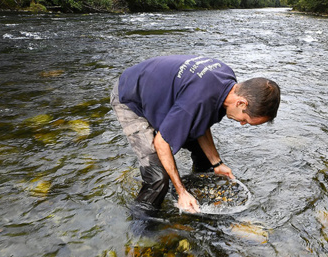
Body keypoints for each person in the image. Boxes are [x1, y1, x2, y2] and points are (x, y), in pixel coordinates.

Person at [110, 55, 280, 214]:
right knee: (158, 179)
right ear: (241, 102)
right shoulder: (197, 99)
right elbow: (162, 142)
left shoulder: (226, 80)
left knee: (205, 159)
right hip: (130, 97)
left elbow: (201, 119)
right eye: (245, 119)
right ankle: (142, 229)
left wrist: (217, 163)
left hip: (158, 93)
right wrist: (181, 191)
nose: (242, 124)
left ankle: (195, 194)